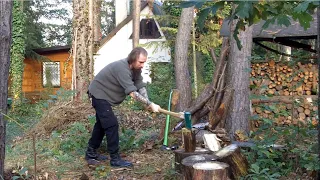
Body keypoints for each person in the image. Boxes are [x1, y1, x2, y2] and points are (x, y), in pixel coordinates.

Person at [85, 47, 161, 168]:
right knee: (112, 124)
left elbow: (140, 86)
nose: (142, 65)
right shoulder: (122, 68)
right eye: (141, 62)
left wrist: (149, 102)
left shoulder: (136, 69)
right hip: (98, 94)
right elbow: (132, 93)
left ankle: (91, 153)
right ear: (133, 59)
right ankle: (115, 159)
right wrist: (149, 104)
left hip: (105, 96)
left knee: (102, 125)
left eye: (144, 62)